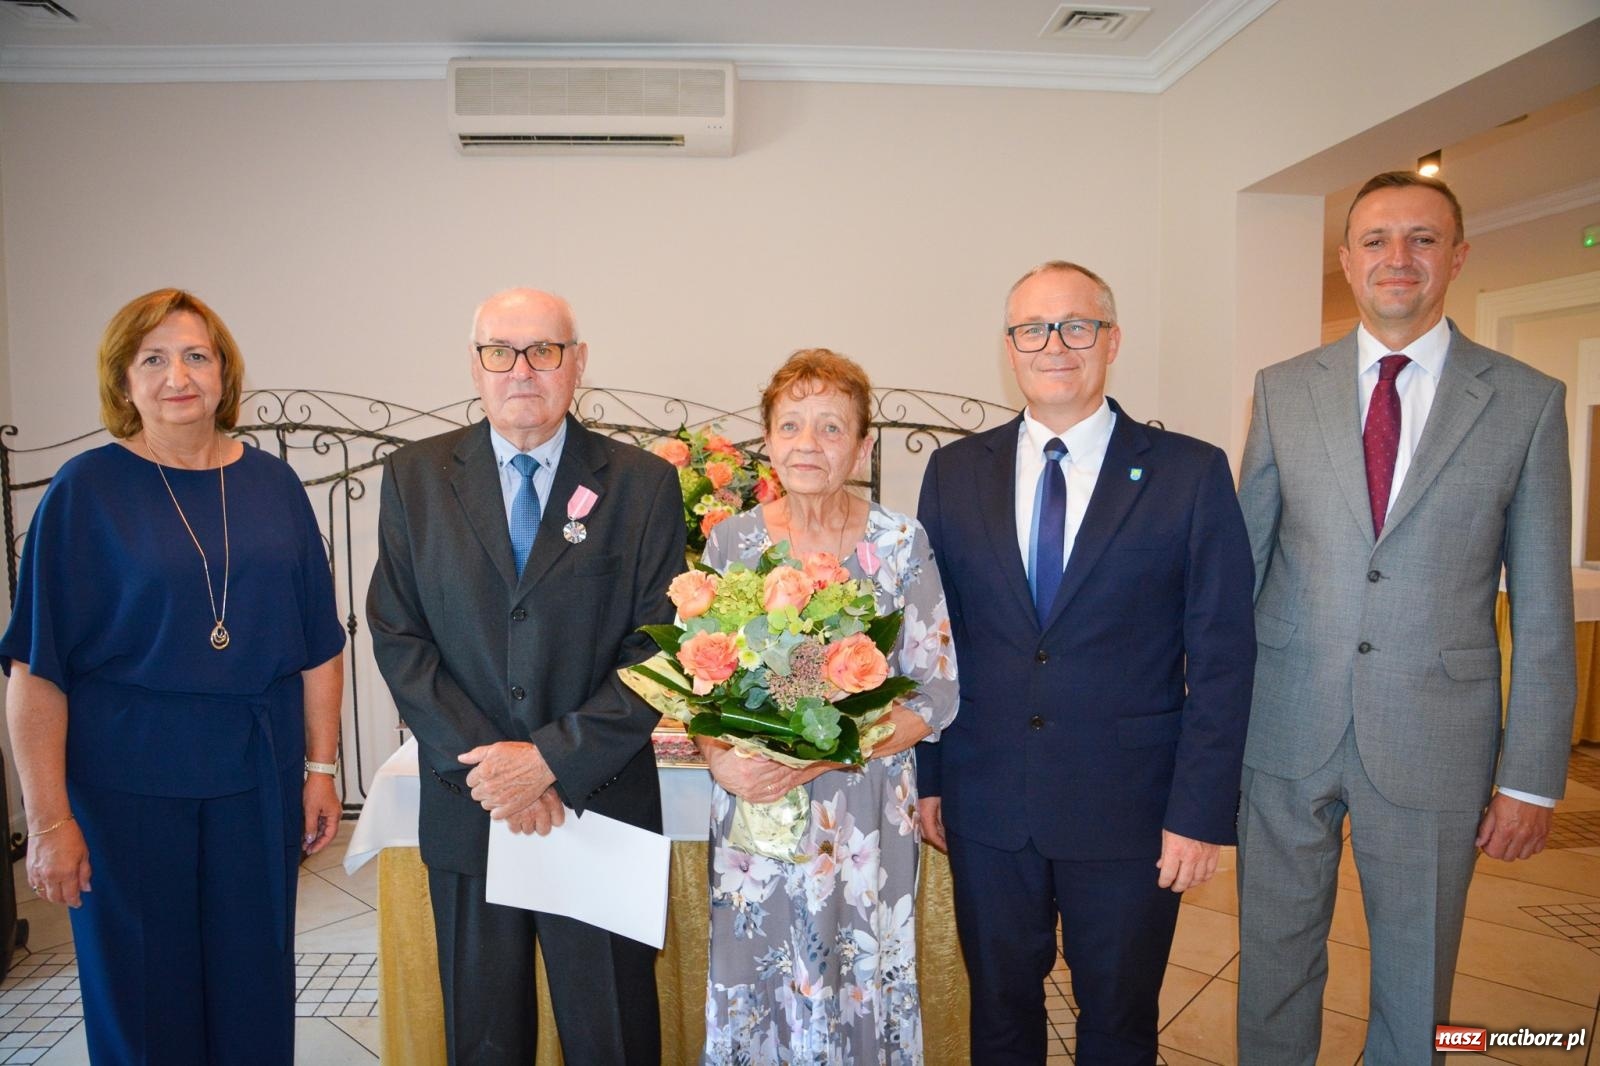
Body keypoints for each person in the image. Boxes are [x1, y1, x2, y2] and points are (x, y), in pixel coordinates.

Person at [1235, 172, 1576, 1065]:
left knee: (1417, 977)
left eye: (1422, 239)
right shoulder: (1281, 390)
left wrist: (1532, 777)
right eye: (1377, 239)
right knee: (1272, 961)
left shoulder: (1527, 401)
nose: (1399, 258)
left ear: (1456, 258)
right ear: (1346, 260)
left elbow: (1543, 605)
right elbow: (1240, 570)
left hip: (1436, 737)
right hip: (1283, 721)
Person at [916, 262, 1256, 1064]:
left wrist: (1200, 813)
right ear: (1010, 347)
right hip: (987, 797)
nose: (1054, 345)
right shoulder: (956, 472)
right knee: (999, 1013)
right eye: (1033, 329)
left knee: (1119, 1018)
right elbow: (930, 640)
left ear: (1112, 340)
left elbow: (1223, 654)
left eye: (1077, 326)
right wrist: (930, 778)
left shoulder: (1190, 472)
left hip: (1131, 809)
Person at [0, 288, 346, 1064]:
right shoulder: (83, 492)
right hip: (124, 783)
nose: (176, 375)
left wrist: (320, 769)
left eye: (196, 355)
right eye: (152, 359)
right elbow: (36, 670)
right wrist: (49, 820)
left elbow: (319, 645)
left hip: (253, 776)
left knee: (253, 985)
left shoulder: (275, 487)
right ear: (124, 381)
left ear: (224, 373)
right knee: (144, 993)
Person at [366, 287, 684, 1064]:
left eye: (544, 350)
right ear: (474, 365)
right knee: (483, 1038)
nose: (522, 370)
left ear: (578, 364)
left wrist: (548, 760)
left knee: (612, 1034)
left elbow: (660, 649)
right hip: (471, 808)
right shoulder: (416, 476)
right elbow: (398, 634)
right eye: (500, 352)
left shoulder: (641, 484)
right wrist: (495, 767)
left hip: (598, 804)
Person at [697, 348, 959, 1063]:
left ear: (864, 445)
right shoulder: (733, 543)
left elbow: (937, 694)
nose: (807, 445)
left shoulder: (899, 544)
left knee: (856, 975)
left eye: (831, 428)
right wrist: (720, 761)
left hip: (863, 813)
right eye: (790, 426)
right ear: (768, 441)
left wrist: (820, 757)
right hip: (758, 811)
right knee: (761, 976)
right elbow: (701, 682)